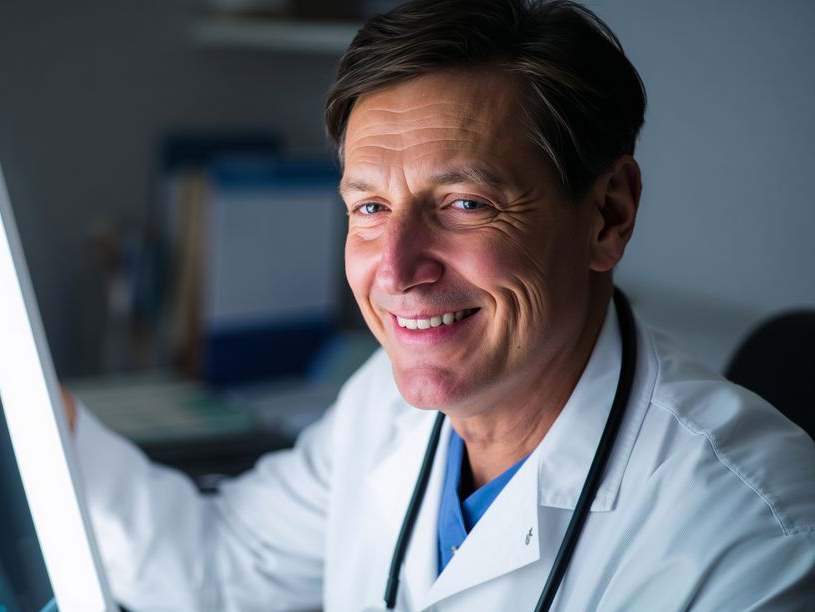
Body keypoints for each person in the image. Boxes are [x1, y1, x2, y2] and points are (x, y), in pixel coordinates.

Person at [66, 0, 815, 609]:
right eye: (368, 208)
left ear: (608, 215)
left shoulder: (755, 541)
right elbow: (220, 567)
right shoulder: (383, 407)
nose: (395, 269)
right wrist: (28, 405)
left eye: (463, 203)